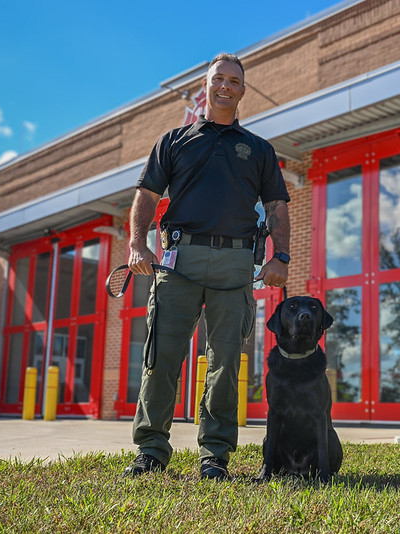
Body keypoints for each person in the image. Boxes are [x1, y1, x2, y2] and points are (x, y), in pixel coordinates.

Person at [123, 53, 291, 480]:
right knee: (160, 358)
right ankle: (151, 451)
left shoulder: (257, 149)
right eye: (219, 79)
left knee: (225, 364)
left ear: (242, 90)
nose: (226, 86)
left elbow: (276, 206)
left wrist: (281, 256)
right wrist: (137, 244)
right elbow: (146, 196)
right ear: (207, 85)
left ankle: (214, 455)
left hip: (236, 263)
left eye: (234, 81)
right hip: (180, 261)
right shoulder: (174, 140)